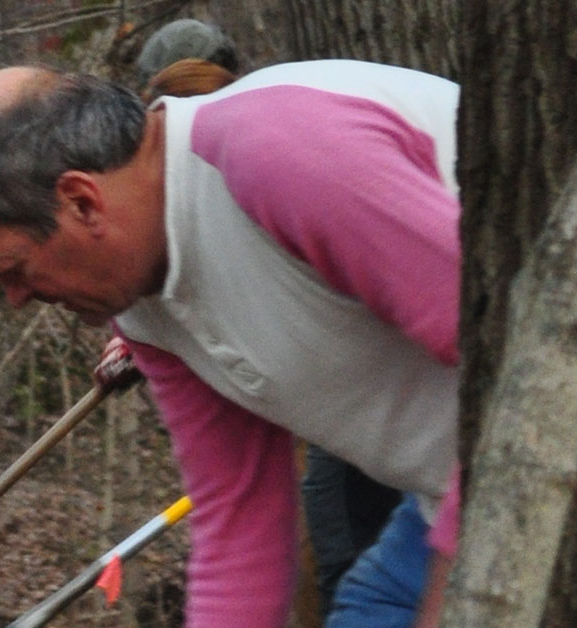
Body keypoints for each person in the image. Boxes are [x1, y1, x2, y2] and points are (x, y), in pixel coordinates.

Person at [0, 60, 461, 628]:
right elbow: (239, 520)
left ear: (81, 201)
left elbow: (508, 384)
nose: (15, 299)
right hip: (443, 491)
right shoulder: (143, 303)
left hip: (530, 455)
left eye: (16, 270)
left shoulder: (283, 156)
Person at [137, 55, 406, 620]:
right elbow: (235, 515)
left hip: (393, 412)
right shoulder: (176, 241)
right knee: (352, 574)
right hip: (355, 423)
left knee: (350, 568)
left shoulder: (272, 166)